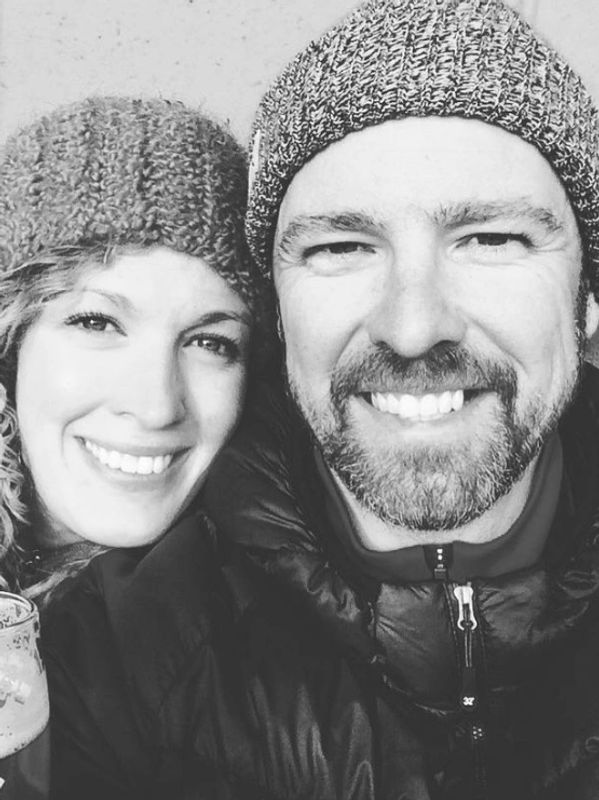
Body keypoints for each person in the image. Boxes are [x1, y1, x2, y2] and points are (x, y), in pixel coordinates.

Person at [44, 1, 599, 798]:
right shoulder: (111, 654)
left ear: (585, 301)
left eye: (491, 239)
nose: (412, 327)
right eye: (340, 247)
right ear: (272, 310)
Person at [0, 96, 269, 796]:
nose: (155, 404)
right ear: (11, 345)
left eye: (211, 342)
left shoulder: (265, 648)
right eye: (97, 321)